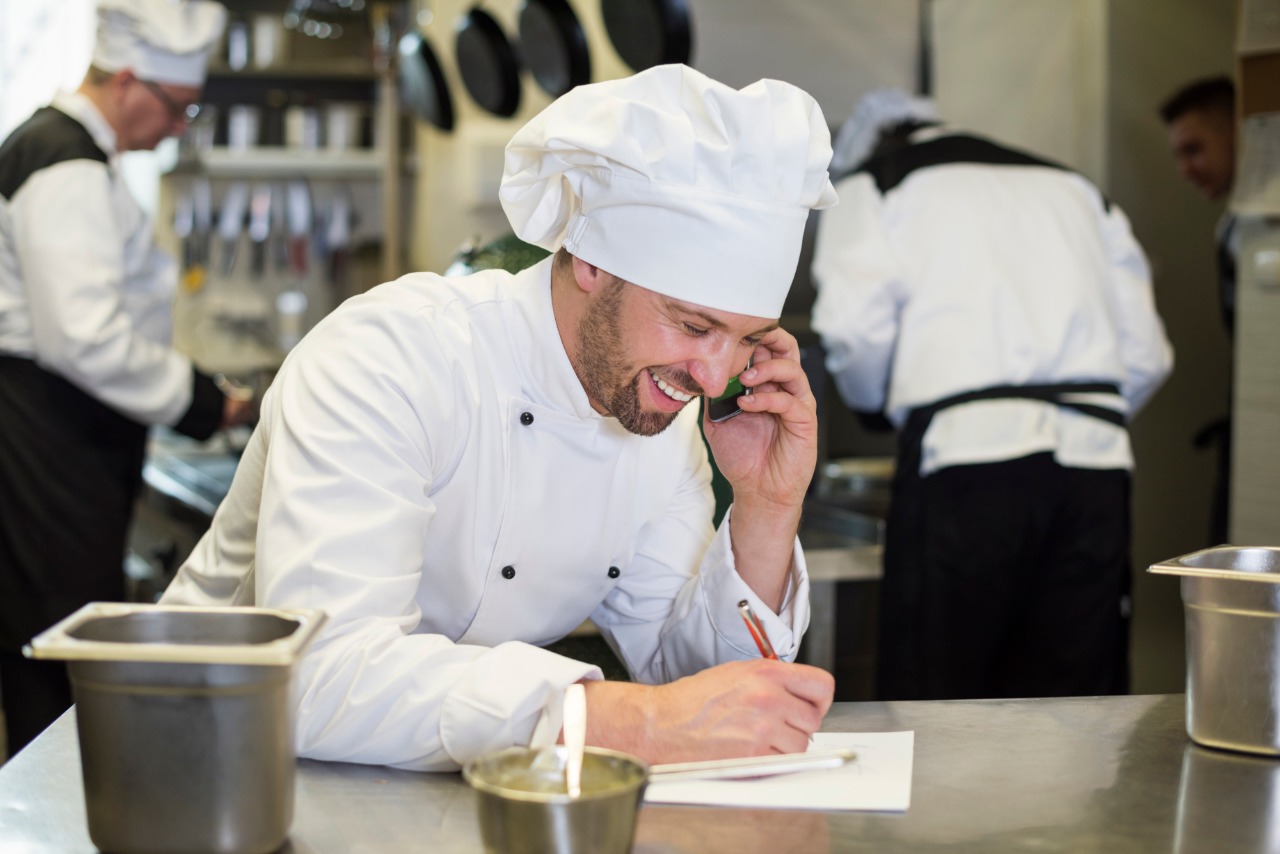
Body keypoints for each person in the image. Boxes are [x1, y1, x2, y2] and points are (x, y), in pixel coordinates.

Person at [161, 64, 839, 771]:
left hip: (401, 789)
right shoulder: (393, 359)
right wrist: (623, 721)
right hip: (198, 760)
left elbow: (686, 692)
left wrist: (765, 505)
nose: (713, 376)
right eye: (693, 325)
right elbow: (320, 676)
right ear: (590, 263)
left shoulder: (657, 425)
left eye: (746, 337)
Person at [810, 90, 1174, 702]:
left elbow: (852, 331)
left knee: (943, 698)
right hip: (1094, 470)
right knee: (1077, 705)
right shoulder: (1076, 188)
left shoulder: (876, 185)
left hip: (963, 470)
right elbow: (1148, 354)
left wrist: (874, 406)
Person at [0, 0, 250, 757]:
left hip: (57, 432)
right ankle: (55, 826)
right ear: (131, 81)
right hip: (49, 436)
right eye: (177, 109)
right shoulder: (64, 160)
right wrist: (209, 400)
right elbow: (85, 337)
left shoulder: (66, 152)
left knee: (50, 646)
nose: (177, 128)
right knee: (57, 659)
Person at [1160, 75, 1237, 545]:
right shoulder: (1234, 226)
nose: (1186, 168)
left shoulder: (1253, 228)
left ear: (1237, 134)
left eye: (1195, 149)